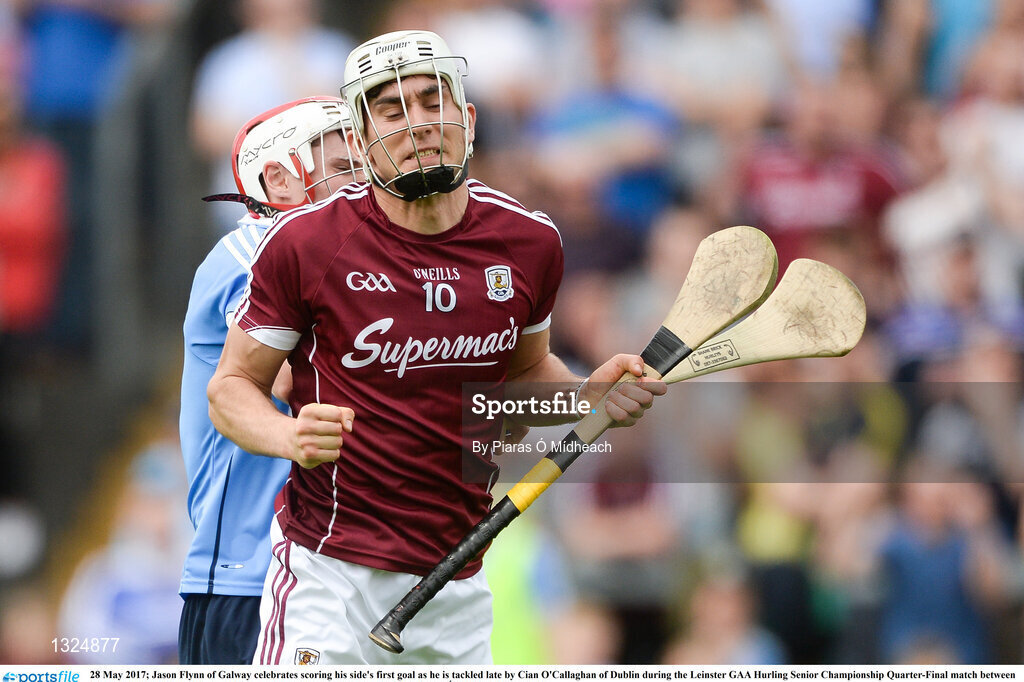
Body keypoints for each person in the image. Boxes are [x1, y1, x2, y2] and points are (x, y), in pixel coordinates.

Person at [206, 29, 665, 665]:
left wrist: (587, 398)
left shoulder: (529, 244)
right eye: (391, 111)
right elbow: (230, 388)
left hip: (457, 586)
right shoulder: (305, 246)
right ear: (362, 142)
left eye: (432, 101)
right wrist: (288, 437)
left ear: (466, 119)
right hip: (331, 576)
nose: (419, 124)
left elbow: (523, 378)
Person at [178, 96, 362, 665]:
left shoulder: (348, 260)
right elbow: (292, 378)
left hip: (331, 571)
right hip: (249, 574)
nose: (361, 178)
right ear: (279, 179)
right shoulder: (251, 254)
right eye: (340, 165)